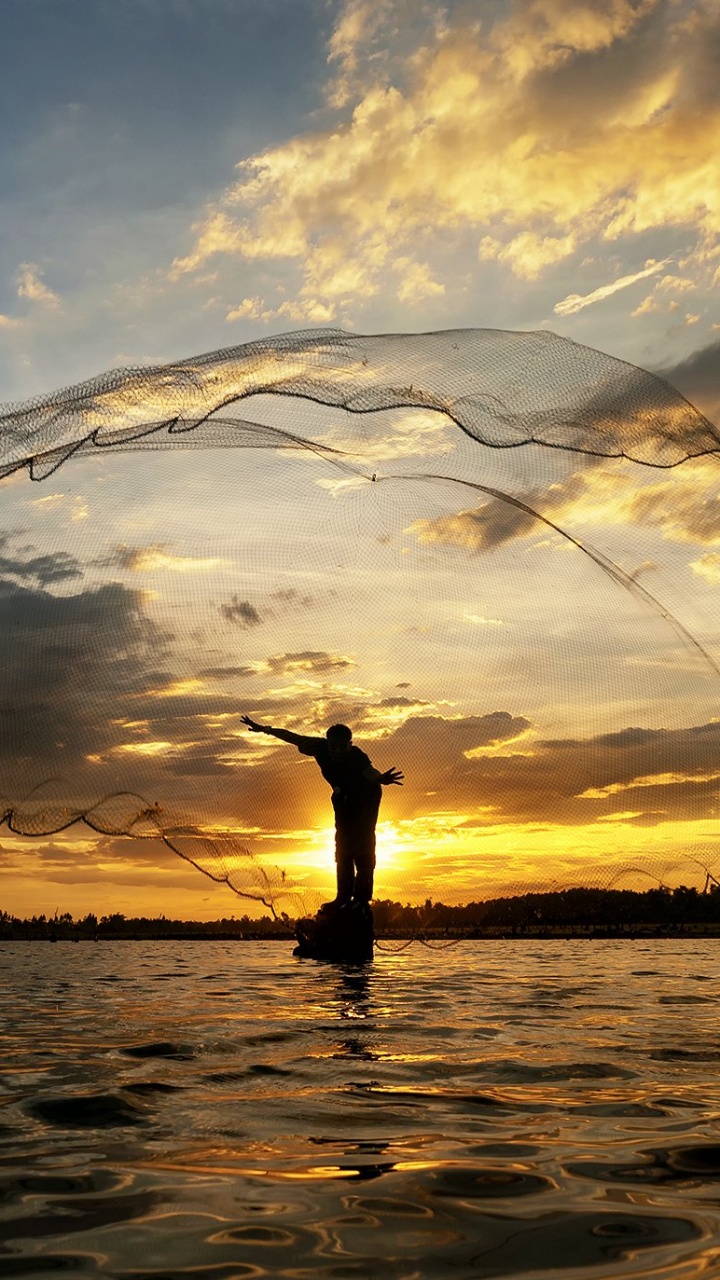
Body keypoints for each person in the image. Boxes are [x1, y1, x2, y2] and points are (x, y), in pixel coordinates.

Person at [241, 717, 403, 910]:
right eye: (334, 746)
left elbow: (370, 772)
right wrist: (265, 729)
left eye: (343, 747)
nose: (337, 751)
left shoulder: (357, 756)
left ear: (350, 745)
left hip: (367, 797)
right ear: (328, 743)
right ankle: (343, 896)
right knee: (342, 846)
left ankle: (361, 899)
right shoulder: (318, 747)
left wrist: (382, 778)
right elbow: (291, 737)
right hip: (343, 797)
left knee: (363, 845)